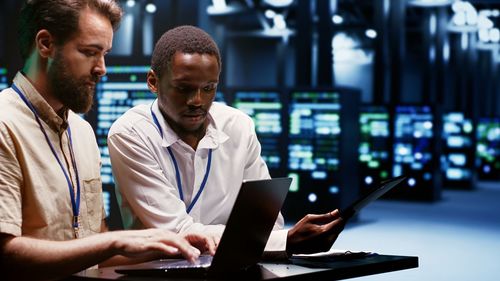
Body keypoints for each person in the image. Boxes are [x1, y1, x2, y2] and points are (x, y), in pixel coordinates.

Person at [0, 2, 215, 280]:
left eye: (104, 54)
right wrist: (115, 241)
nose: (102, 68)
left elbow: (94, 247)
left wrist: (169, 244)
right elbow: (5, 253)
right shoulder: (5, 124)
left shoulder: (82, 132)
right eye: (90, 52)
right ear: (45, 44)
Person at [108, 25, 345, 257]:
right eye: (183, 88)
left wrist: (269, 239)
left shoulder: (238, 126)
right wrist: (283, 241)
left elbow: (266, 222)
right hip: (159, 268)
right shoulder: (130, 134)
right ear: (153, 81)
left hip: (235, 262)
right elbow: (177, 232)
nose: (197, 100)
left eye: (209, 88)